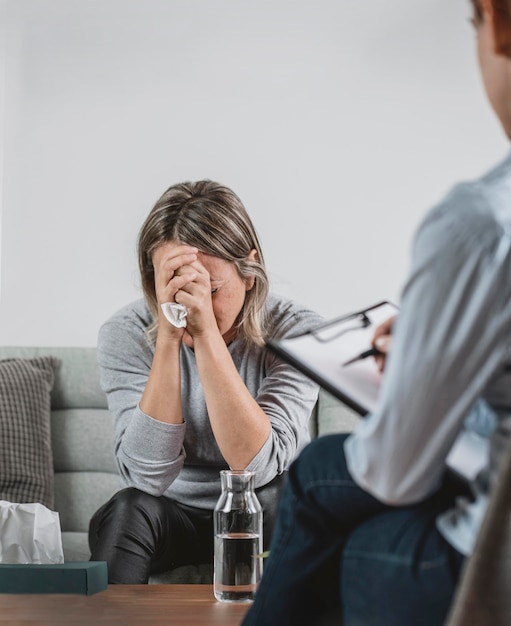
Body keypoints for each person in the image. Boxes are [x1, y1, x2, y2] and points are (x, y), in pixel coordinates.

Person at [242, 1, 511, 624]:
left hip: (491, 558)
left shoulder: (479, 222)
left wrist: (420, 375)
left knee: (323, 489)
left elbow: (395, 473)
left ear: (495, 20)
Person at [88, 180, 322, 583]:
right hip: (169, 513)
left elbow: (258, 465)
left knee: (297, 502)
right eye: (177, 288)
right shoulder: (125, 332)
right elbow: (147, 476)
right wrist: (168, 336)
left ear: (249, 272)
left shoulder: (298, 332)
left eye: (211, 289)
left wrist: (206, 334)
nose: (191, 303)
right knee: (127, 508)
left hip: (262, 508)